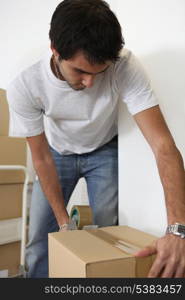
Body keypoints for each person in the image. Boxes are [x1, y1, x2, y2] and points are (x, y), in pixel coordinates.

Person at [7, 0, 185, 278]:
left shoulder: (124, 65)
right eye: (80, 72)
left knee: (109, 233)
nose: (90, 83)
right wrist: (64, 222)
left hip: (104, 151)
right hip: (55, 154)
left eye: (98, 73)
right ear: (55, 49)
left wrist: (178, 230)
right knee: (42, 237)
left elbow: (163, 146)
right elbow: (40, 157)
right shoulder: (25, 85)